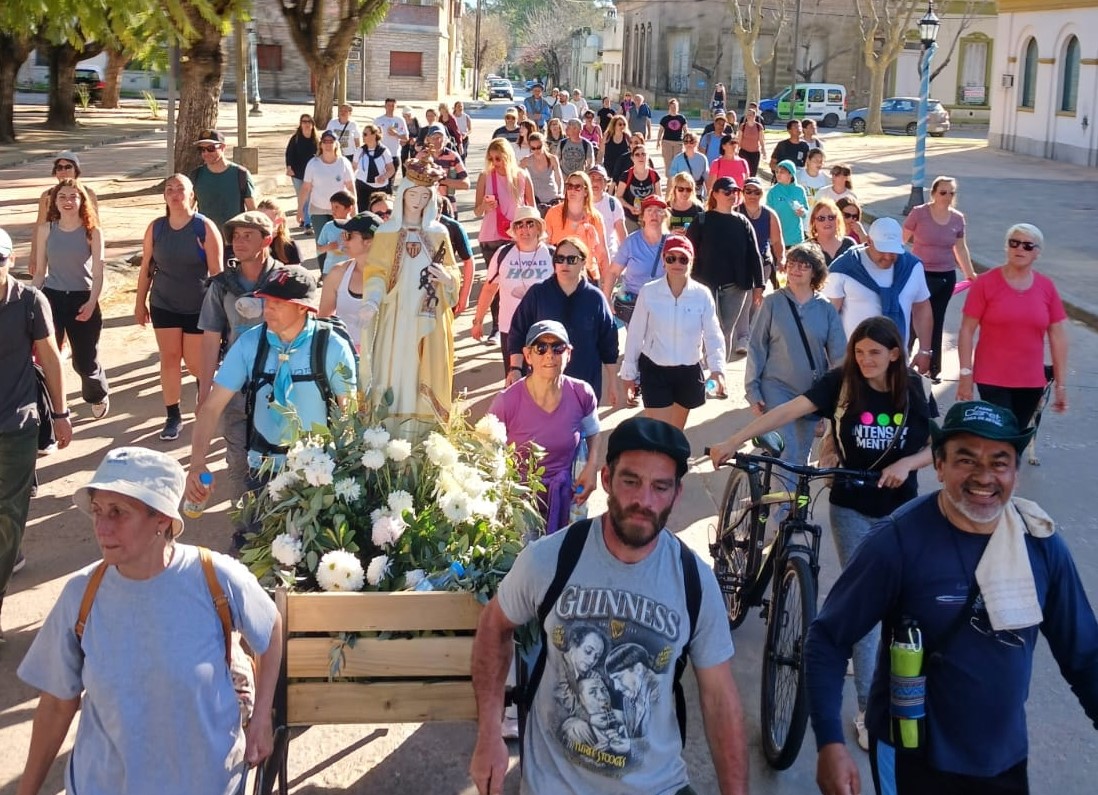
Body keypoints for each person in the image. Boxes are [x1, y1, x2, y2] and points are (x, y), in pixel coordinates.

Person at [806, 400, 1098, 794]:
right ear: (939, 466)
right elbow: (828, 638)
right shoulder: (897, 542)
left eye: (999, 462)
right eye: (966, 460)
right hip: (912, 758)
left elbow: (1086, 657)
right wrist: (830, 742)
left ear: (1014, 471)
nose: (984, 477)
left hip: (1003, 759)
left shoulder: (1041, 546)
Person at [470, 417, 748, 795]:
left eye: (660, 487)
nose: (644, 501)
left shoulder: (693, 581)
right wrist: (489, 734)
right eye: (631, 481)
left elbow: (719, 699)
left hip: (658, 787)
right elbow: (494, 625)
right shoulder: (551, 558)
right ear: (606, 480)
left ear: (677, 494)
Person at [711, 316, 935, 749]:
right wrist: (733, 440)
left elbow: (938, 446)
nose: (865, 359)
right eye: (859, 351)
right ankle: (869, 711)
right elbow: (788, 410)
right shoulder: (843, 383)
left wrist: (906, 465)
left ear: (894, 353)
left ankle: (892, 682)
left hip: (901, 510)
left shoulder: (913, 388)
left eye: (875, 352)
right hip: (850, 506)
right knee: (870, 607)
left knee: (902, 604)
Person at [16, 446, 282, 795]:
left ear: (161, 518)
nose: (102, 526)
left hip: (208, 783)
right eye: (97, 510)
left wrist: (262, 718)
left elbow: (272, 626)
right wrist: (26, 791)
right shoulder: (82, 594)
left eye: (118, 512)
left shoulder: (215, 577)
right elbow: (55, 704)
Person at [188, 263, 357, 539]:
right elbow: (211, 408)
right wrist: (197, 463)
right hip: (262, 468)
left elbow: (350, 413)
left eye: (278, 303)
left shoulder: (331, 346)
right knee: (253, 548)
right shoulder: (249, 344)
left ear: (303, 307)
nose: (268, 309)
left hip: (319, 471)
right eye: (266, 300)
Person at [0, 227, 71, 641]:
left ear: (11, 260)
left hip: (16, 426)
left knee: (9, 516)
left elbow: (50, 357)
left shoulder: (29, 301)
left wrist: (61, 413)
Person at [195, 211, 282, 541]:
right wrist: (205, 391)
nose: (239, 241)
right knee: (239, 462)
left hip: (279, 387)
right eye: (235, 235)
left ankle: (280, 530)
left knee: (278, 460)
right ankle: (246, 532)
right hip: (236, 388)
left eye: (248, 235)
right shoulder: (222, 285)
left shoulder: (285, 281)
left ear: (267, 240)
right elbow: (210, 337)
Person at [359, 161, 461, 425]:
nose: (417, 201)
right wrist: (371, 301)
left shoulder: (438, 234)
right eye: (413, 194)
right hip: (396, 315)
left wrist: (448, 279)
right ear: (402, 194)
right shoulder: (386, 233)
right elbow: (376, 273)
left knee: (423, 370)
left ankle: (425, 434)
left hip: (428, 315)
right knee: (395, 370)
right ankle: (388, 430)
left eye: (425, 196)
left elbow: (454, 272)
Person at [489, 320, 602, 535]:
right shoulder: (507, 402)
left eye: (557, 347)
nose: (549, 355)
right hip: (520, 503)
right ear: (528, 355)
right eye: (540, 348)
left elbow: (594, 431)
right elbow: (486, 451)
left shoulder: (582, 393)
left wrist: (591, 467)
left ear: (568, 353)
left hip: (567, 497)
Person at [135, 174, 225, 441]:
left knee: (197, 365)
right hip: (164, 303)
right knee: (170, 359)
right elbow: (146, 268)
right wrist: (139, 302)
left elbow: (217, 274)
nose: (175, 194)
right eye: (169, 190)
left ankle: (205, 397)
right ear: (164, 196)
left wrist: (220, 313)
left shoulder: (204, 228)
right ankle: (173, 415)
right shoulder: (156, 228)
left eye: (180, 189)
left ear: (191, 195)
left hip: (198, 305)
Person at [957, 223, 1068, 428]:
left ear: (1037, 253)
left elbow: (1057, 338)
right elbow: (966, 330)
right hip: (991, 377)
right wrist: (965, 374)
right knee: (1001, 435)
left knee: (1016, 439)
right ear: (1006, 247)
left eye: (1027, 246)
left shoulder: (1046, 287)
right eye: (1014, 243)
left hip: (1031, 380)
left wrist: (1060, 385)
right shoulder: (985, 283)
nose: (1019, 249)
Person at [744, 242, 846, 466]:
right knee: (787, 451)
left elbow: (839, 357)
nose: (795, 269)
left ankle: (794, 501)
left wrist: (832, 399)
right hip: (776, 389)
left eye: (803, 265)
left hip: (810, 393)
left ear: (815, 272)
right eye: (791, 264)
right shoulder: (772, 303)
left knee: (802, 457)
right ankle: (782, 503)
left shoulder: (826, 308)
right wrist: (753, 390)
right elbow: (756, 347)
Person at [620, 235, 726, 428]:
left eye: (683, 259)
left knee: (675, 434)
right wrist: (629, 373)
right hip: (655, 369)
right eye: (671, 258)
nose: (677, 263)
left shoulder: (702, 294)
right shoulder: (648, 292)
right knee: (659, 432)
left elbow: (713, 334)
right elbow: (635, 333)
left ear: (691, 261)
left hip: (688, 370)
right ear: (663, 260)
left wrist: (717, 369)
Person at [508, 236, 620, 406]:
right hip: (543, 385)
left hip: (584, 384)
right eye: (559, 259)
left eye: (571, 259)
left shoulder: (595, 298)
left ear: (583, 262)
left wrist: (613, 382)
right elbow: (518, 331)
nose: (564, 264)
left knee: (583, 432)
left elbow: (609, 343)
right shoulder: (538, 294)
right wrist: (515, 368)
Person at [32, 179, 110, 419]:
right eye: (62, 197)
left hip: (82, 299)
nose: (68, 201)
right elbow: (39, 273)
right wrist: (30, 300)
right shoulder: (46, 230)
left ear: (82, 201)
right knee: (46, 358)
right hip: (52, 299)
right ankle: (51, 409)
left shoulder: (92, 232)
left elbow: (98, 274)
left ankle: (97, 394)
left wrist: (91, 302)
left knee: (84, 362)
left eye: (73, 197)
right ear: (54, 202)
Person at [825, 217, 933, 361]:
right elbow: (829, 317)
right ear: (869, 241)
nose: (888, 257)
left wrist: (925, 351)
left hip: (896, 360)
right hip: (854, 362)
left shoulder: (912, 267)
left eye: (893, 251)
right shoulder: (843, 269)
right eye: (882, 250)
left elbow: (922, 308)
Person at [903, 176, 978, 382]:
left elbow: (960, 248)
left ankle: (932, 369)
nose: (947, 197)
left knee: (936, 321)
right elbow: (902, 240)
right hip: (920, 275)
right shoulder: (919, 213)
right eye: (943, 192)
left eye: (951, 193)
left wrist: (970, 273)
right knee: (914, 320)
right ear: (934, 193)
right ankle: (903, 362)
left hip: (945, 277)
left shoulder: (957, 218)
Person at [686, 178, 763, 358]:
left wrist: (759, 286)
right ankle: (704, 369)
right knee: (708, 327)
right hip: (705, 284)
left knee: (725, 330)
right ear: (715, 194)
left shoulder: (742, 222)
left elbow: (754, 254)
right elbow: (687, 252)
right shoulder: (702, 220)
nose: (732, 196)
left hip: (736, 286)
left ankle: (719, 373)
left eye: (735, 192)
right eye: (727, 192)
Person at [472, 207, 555, 375]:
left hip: (544, 329)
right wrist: (478, 321)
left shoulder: (552, 255)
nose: (525, 229)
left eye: (530, 224)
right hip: (509, 328)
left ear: (539, 228)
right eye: (519, 225)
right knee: (514, 377)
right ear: (514, 229)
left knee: (544, 380)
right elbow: (489, 289)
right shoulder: (503, 254)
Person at [475, 139, 535, 298]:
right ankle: (497, 323)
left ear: (507, 156)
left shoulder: (522, 176)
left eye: (498, 158)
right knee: (494, 286)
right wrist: (484, 207)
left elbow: (532, 210)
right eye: (491, 159)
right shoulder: (485, 176)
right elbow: (476, 211)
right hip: (491, 238)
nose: (494, 163)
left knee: (517, 286)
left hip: (516, 237)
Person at [604, 195, 671, 335]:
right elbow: (613, 272)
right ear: (643, 216)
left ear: (664, 216)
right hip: (635, 303)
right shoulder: (631, 242)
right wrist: (607, 298)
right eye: (649, 210)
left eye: (658, 210)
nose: (654, 214)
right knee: (638, 347)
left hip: (664, 303)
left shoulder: (672, 243)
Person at [29, 152, 100, 277]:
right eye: (59, 168)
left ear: (76, 170)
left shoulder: (88, 194)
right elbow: (39, 224)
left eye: (68, 167)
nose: (63, 171)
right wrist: (33, 255)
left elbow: (95, 223)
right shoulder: (47, 196)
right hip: (55, 243)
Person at [319, 212, 382, 352]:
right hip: (345, 356)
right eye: (343, 235)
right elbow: (323, 320)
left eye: (348, 236)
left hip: (383, 357)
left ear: (369, 241)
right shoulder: (337, 273)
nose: (343, 241)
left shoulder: (393, 276)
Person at [298, 130, 356, 274]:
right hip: (318, 208)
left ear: (336, 144)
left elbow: (351, 187)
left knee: (342, 240)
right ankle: (324, 273)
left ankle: (343, 270)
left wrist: (355, 210)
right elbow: (306, 187)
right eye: (325, 142)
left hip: (340, 209)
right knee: (322, 242)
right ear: (321, 144)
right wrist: (300, 209)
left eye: (331, 142)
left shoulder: (343, 163)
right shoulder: (313, 163)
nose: (328, 145)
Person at [191, 130, 258, 239]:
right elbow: (189, 209)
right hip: (206, 239)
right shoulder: (196, 175)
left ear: (222, 147)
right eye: (201, 149)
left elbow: (252, 211)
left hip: (235, 239)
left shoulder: (240, 174)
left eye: (211, 148)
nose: (206, 153)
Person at [544, 171, 608, 282]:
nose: (572, 190)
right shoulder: (553, 213)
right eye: (569, 186)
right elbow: (545, 247)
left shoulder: (595, 217)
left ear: (586, 192)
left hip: (588, 275)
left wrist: (607, 284)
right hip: (559, 275)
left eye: (577, 187)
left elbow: (602, 253)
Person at [284, 114, 319, 230]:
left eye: (309, 121)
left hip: (312, 174)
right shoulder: (295, 138)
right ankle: (304, 218)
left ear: (313, 124)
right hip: (297, 173)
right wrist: (289, 167)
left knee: (309, 197)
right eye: (304, 121)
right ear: (300, 124)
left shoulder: (317, 140)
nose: (307, 124)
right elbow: (289, 154)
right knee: (301, 197)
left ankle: (307, 222)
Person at [616, 145, 661, 233]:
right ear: (632, 158)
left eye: (643, 154)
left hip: (649, 217)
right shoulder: (626, 175)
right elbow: (618, 196)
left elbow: (659, 197)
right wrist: (630, 207)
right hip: (630, 217)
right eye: (637, 154)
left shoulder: (654, 175)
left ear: (647, 157)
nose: (641, 157)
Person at [766, 159, 810, 247]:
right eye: (777, 172)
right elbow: (767, 214)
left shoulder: (800, 190)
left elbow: (806, 211)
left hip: (796, 237)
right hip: (778, 237)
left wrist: (802, 212)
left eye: (782, 172)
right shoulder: (773, 191)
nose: (778, 174)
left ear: (791, 174)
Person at [353, 123, 396, 207]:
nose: (363, 136)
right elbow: (353, 167)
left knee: (379, 211)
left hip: (380, 188)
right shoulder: (360, 151)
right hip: (362, 185)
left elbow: (391, 169)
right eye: (363, 134)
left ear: (374, 135)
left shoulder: (384, 151)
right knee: (363, 211)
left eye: (365, 134)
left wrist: (384, 176)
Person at [314, 190, 356, 276]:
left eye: (337, 207)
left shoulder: (356, 226)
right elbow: (318, 248)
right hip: (330, 270)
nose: (333, 210)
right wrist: (327, 247)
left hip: (350, 270)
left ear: (349, 209)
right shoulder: (328, 226)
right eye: (332, 207)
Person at [588, 165, 626, 259]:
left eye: (599, 179)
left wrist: (626, 257)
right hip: (587, 256)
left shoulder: (613, 203)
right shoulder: (580, 203)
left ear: (605, 184)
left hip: (610, 256)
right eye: (592, 178)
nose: (595, 182)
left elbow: (621, 233)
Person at [521, 131, 564, 215]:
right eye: (533, 148)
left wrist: (560, 193)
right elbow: (516, 176)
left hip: (552, 198)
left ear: (544, 144)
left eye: (539, 147)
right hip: (535, 200)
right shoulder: (526, 160)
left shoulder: (552, 159)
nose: (536, 150)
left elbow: (559, 178)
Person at [808, 198, 856, 266]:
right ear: (814, 222)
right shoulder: (807, 248)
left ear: (838, 220)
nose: (827, 221)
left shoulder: (849, 244)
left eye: (831, 217)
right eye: (821, 218)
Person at [257, 199, 301, 266]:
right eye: (258, 219)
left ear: (279, 221)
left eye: (267, 220)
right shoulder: (250, 244)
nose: (262, 223)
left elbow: (296, 273)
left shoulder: (289, 246)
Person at [668, 132, 709, 201]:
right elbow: (672, 179)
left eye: (691, 141)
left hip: (697, 194)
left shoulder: (702, 158)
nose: (688, 144)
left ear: (696, 143)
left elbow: (707, 178)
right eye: (686, 142)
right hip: (682, 193)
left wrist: (708, 195)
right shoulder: (677, 159)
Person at [374, 97, 408, 173]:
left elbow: (406, 138)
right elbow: (372, 137)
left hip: (394, 155)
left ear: (396, 107)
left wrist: (396, 134)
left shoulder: (399, 120)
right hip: (380, 155)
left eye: (393, 105)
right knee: (380, 180)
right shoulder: (378, 120)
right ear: (385, 106)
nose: (391, 108)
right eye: (389, 105)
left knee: (390, 182)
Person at [657, 98, 688, 174]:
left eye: (675, 107)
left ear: (678, 107)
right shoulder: (665, 119)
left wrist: (687, 141)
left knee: (677, 161)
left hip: (678, 142)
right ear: (669, 107)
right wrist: (658, 141)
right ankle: (669, 178)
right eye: (672, 107)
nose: (673, 108)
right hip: (666, 142)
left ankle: (676, 177)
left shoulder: (681, 118)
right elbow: (660, 131)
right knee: (668, 162)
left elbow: (686, 130)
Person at [736, 107, 767, 177]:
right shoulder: (743, 126)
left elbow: (761, 139)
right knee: (744, 171)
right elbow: (739, 139)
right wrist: (736, 149)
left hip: (755, 153)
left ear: (754, 116)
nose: (748, 116)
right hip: (744, 152)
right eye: (747, 115)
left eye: (750, 115)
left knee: (753, 172)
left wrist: (763, 150)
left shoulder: (759, 126)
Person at [602, 115, 631, 182]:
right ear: (614, 125)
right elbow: (601, 151)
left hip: (623, 167)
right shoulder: (608, 136)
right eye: (620, 124)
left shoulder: (627, 136)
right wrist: (599, 164)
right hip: (609, 166)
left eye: (624, 124)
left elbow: (632, 150)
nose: (622, 126)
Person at [400, 107, 421, 171]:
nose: (407, 118)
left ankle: (413, 175)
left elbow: (421, 136)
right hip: (404, 142)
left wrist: (415, 139)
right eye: (405, 116)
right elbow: (393, 130)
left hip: (413, 143)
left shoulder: (418, 123)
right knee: (404, 160)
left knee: (413, 160)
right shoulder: (399, 122)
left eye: (409, 115)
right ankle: (404, 176)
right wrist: (400, 140)